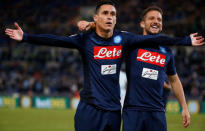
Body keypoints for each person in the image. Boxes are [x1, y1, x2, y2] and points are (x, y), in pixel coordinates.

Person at [5, 1, 204, 131]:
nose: (110, 16)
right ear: (96, 18)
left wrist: (185, 41)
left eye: (113, 14)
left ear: (116, 19)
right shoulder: (86, 40)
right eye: (106, 13)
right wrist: (26, 37)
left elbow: (159, 44)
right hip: (91, 109)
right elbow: (57, 40)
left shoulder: (125, 40)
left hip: (114, 112)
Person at [122, 6, 191, 131]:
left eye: (159, 19)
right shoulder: (131, 44)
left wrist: (184, 107)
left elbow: (174, 80)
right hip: (133, 111)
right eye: (151, 18)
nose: (156, 21)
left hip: (157, 112)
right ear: (142, 23)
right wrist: (94, 25)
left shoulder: (167, 50)